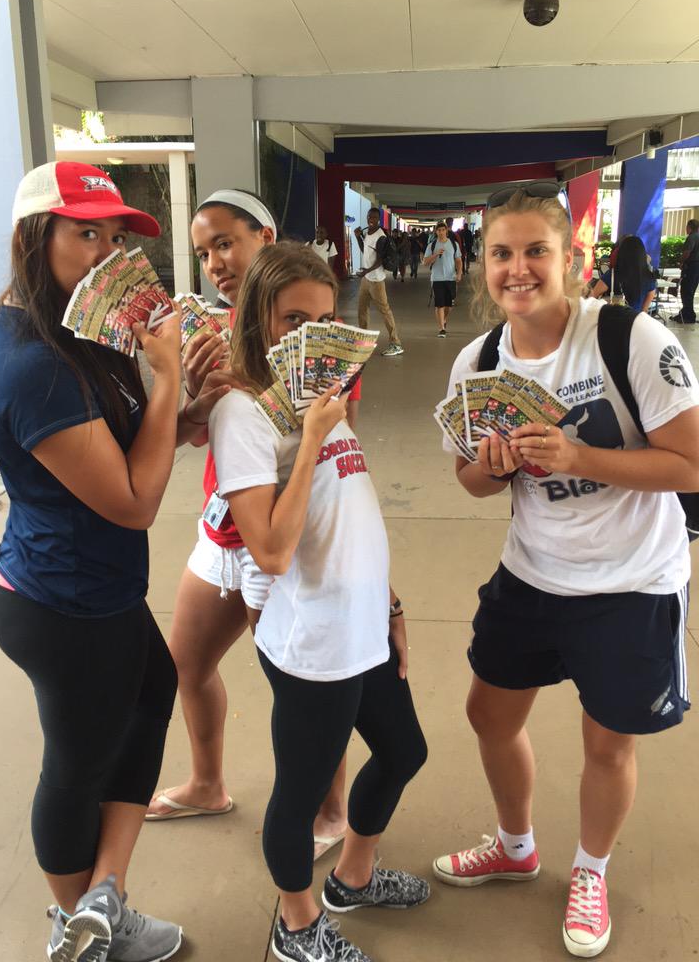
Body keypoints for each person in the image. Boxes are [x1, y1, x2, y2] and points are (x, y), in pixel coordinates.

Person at [433, 185, 699, 959]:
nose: (518, 269)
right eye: (502, 254)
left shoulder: (631, 339)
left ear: (570, 259)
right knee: (490, 715)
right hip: (533, 572)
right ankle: (516, 846)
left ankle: (590, 870)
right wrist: (492, 468)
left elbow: (691, 466)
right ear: (483, 266)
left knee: (607, 744)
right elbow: (469, 482)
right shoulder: (478, 361)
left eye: (535, 251)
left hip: (631, 582)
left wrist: (581, 456)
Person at [0, 161, 229, 962]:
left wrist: (192, 404)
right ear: (32, 239)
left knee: (153, 691)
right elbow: (133, 501)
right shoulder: (35, 364)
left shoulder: (76, 333)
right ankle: (78, 926)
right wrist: (163, 378)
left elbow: (132, 445)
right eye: (84, 232)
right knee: (78, 767)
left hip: (97, 590)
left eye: (113, 236)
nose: (104, 255)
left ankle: (101, 900)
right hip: (65, 604)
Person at [210, 242, 429, 962]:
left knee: (403, 750)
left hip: (363, 620)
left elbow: (350, 510)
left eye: (328, 317)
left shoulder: (329, 393)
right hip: (312, 641)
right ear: (259, 321)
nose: (313, 335)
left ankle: (353, 877)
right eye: (293, 320)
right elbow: (270, 549)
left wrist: (391, 605)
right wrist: (307, 442)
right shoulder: (244, 413)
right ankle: (294, 923)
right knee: (301, 793)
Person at [147, 190, 359, 862]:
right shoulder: (209, 332)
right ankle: (208, 782)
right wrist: (196, 396)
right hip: (221, 531)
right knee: (185, 663)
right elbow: (188, 440)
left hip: (280, 544)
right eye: (203, 251)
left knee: (305, 693)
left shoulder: (316, 334)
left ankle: (332, 811)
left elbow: (335, 451)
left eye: (225, 243)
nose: (214, 262)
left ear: (263, 235)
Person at [355, 208, 404, 357]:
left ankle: (396, 344)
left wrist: (366, 271)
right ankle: (364, 341)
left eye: (374, 217)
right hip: (366, 280)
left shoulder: (381, 236)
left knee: (385, 311)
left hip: (376, 280)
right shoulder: (367, 232)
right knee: (362, 310)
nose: (371, 219)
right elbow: (366, 251)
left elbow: (380, 261)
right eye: (369, 216)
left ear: (379, 219)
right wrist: (358, 237)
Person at [590, 234, 656, 313]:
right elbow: (644, 310)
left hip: (612, 320)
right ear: (642, 254)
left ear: (621, 253)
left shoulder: (612, 275)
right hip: (635, 322)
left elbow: (592, 297)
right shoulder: (649, 278)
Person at [424, 220, 462, 337]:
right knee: (439, 304)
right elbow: (425, 262)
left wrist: (459, 272)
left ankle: (444, 319)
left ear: (446, 231)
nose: (441, 232)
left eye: (443, 230)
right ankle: (441, 329)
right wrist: (435, 254)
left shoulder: (453, 244)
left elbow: (458, 260)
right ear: (436, 232)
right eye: (439, 230)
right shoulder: (432, 246)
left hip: (450, 278)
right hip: (437, 278)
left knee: (449, 306)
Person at [673, 218, 699, 323]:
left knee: (686, 291)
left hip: (691, 267)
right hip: (696, 268)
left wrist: (681, 262)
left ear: (689, 227)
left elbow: (687, 252)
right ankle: (685, 313)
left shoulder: (692, 237)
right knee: (690, 291)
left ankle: (689, 316)